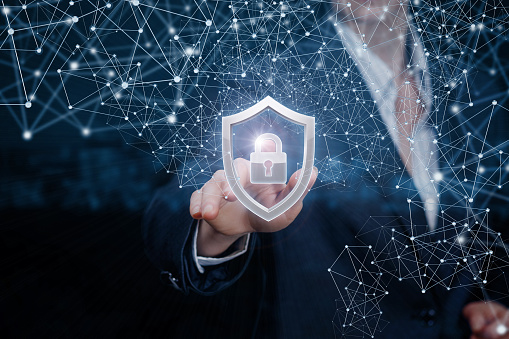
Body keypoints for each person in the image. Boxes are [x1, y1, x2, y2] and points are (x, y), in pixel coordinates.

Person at [143, 1, 509, 337]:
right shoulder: (268, 73)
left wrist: (488, 301)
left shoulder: (478, 81)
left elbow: (485, 228)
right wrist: (214, 231)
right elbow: (181, 194)